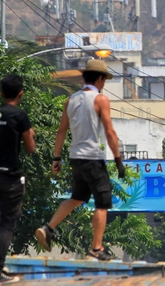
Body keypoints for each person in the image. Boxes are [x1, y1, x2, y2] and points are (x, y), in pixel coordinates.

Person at [35, 59, 125, 261]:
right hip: (92, 157)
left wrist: (56, 157)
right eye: (104, 80)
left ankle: (48, 228)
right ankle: (96, 248)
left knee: (77, 197)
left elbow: (61, 131)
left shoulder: (71, 100)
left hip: (75, 157)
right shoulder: (100, 100)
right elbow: (110, 132)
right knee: (102, 202)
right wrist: (118, 159)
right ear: (100, 78)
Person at [0, 74, 36, 284]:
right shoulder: (20, 115)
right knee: (8, 223)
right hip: (11, 177)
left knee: (5, 218)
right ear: (20, 94)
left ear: (1, 92)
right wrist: (30, 134)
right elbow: (30, 148)